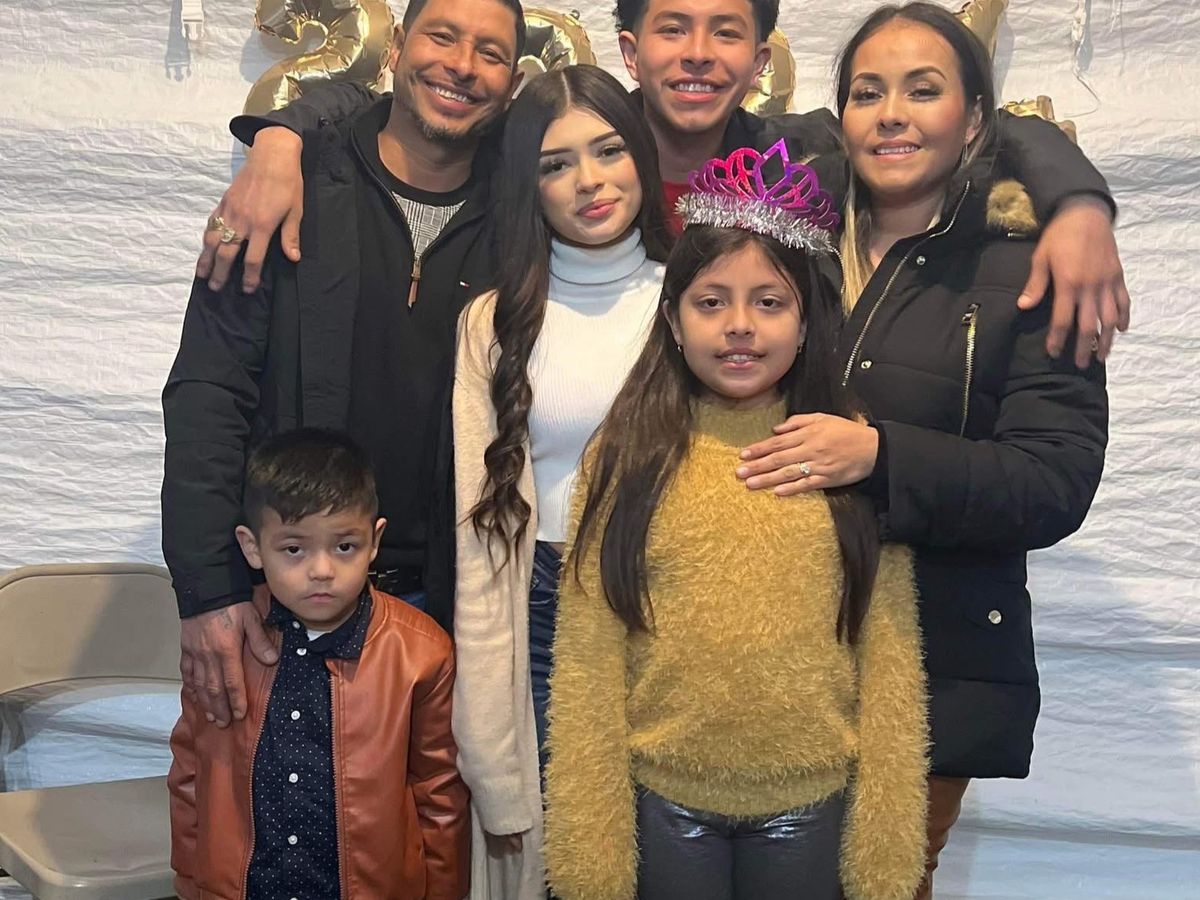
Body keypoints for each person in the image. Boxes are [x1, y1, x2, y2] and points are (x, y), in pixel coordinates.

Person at [201, 0, 1129, 369]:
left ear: (758, 59)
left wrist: (1082, 203)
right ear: (630, 49)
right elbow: (387, 103)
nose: (697, 54)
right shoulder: (563, 151)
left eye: (726, 31)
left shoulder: (805, 154)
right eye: (673, 28)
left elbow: (992, 127)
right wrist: (279, 138)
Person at [733, 5, 1108, 896]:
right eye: (868, 93)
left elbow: (1054, 481)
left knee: (882, 881)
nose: (892, 115)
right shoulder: (789, 238)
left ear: (973, 119)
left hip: (935, 661)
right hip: (768, 655)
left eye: (924, 90)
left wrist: (881, 457)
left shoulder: (1031, 265)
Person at [542, 144, 927, 900]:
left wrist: (887, 841)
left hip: (813, 803)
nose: (740, 326)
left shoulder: (846, 451)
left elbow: (889, 657)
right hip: (663, 802)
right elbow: (588, 661)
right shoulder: (627, 456)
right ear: (673, 320)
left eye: (770, 302)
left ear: (807, 322)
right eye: (712, 302)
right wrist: (590, 852)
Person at [162, 0, 526, 730]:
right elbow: (209, 391)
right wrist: (209, 591)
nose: (461, 65)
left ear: (514, 82)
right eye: (442, 37)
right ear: (397, 46)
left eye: (489, 52)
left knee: (431, 807)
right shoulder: (292, 186)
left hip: (454, 609)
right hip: (284, 596)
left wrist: (282, 130)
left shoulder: (524, 215)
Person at [451, 65, 670, 899]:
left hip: (674, 610)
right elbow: (480, 546)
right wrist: (489, 754)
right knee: (567, 865)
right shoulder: (492, 322)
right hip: (542, 605)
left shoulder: (700, 300)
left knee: (667, 858)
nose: (589, 180)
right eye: (556, 163)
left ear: (641, 155)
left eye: (609, 150)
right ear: (528, 185)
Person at [167, 428, 470, 900]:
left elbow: (440, 794)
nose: (323, 570)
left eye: (344, 546)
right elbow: (190, 772)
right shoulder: (224, 648)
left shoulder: (422, 653)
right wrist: (191, 884)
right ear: (252, 547)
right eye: (294, 549)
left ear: (375, 540)